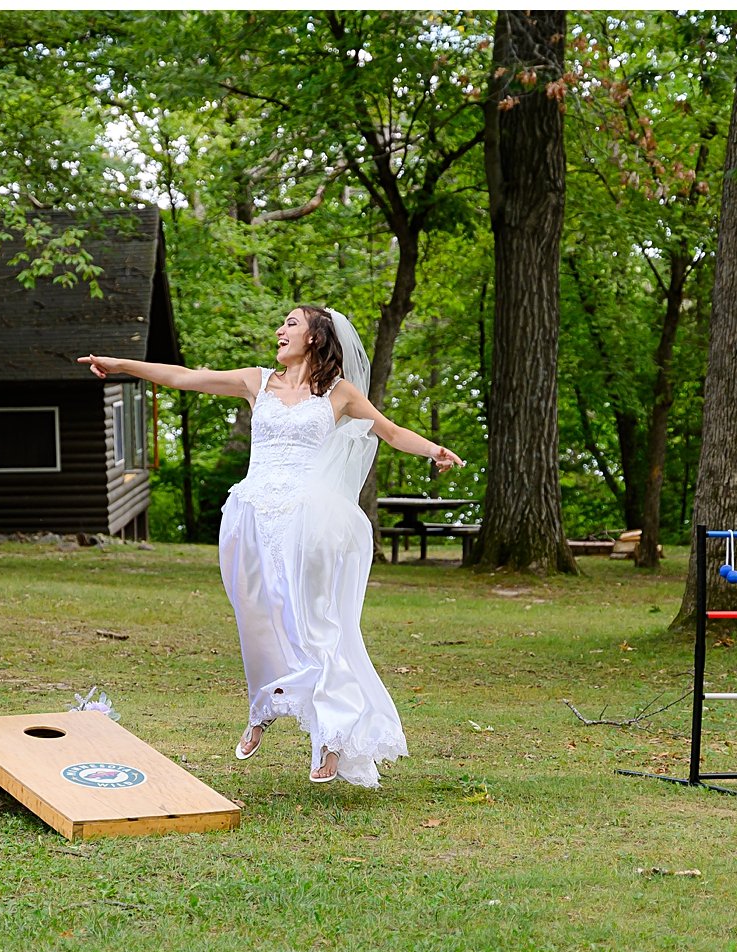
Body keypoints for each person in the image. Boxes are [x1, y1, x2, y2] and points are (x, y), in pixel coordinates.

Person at [80, 306, 463, 786]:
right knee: (258, 618)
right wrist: (121, 365)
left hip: (307, 520)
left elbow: (388, 431)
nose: (280, 331)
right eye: (281, 324)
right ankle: (263, 706)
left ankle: (332, 736)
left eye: (291, 324)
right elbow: (182, 377)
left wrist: (433, 449)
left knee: (312, 622)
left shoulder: (339, 393)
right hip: (251, 516)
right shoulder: (256, 381)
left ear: (317, 338)